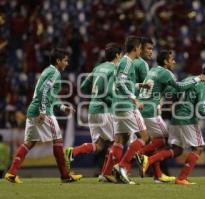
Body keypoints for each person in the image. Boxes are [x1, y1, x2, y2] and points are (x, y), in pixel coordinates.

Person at [5, 48, 82, 183]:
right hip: (43, 111)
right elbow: (44, 91)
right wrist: (42, 111)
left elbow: (50, 95)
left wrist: (62, 106)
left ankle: (11, 173)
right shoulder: (54, 72)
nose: (67, 63)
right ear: (58, 61)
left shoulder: (48, 71)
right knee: (58, 140)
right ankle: (65, 175)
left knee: (29, 143)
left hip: (32, 110)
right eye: (65, 60)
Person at [138, 63, 205, 185]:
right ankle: (182, 178)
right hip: (188, 119)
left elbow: (173, 91)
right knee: (198, 148)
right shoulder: (203, 86)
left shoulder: (188, 79)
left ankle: (149, 160)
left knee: (177, 149)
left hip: (175, 119)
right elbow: (201, 108)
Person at [136, 50, 203, 183]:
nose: (174, 61)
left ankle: (158, 175)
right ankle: (141, 154)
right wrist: (196, 79)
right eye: (172, 59)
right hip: (150, 110)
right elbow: (179, 86)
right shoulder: (166, 73)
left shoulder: (153, 70)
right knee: (164, 139)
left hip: (142, 108)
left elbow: (167, 90)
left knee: (156, 141)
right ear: (166, 62)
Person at [64, 43, 122, 182]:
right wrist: (112, 101)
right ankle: (108, 173)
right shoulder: (114, 69)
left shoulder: (97, 68)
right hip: (105, 110)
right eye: (121, 54)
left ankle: (73, 151)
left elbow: (83, 87)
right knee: (117, 141)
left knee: (99, 145)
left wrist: (95, 96)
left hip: (92, 109)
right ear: (117, 55)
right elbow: (108, 92)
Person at [110, 36, 150, 184]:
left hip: (117, 106)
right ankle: (122, 166)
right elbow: (121, 83)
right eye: (140, 48)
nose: (140, 50)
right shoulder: (127, 62)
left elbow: (124, 83)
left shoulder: (123, 63)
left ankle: (113, 171)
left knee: (121, 138)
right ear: (135, 48)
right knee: (144, 136)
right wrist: (135, 98)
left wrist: (140, 86)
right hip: (126, 105)